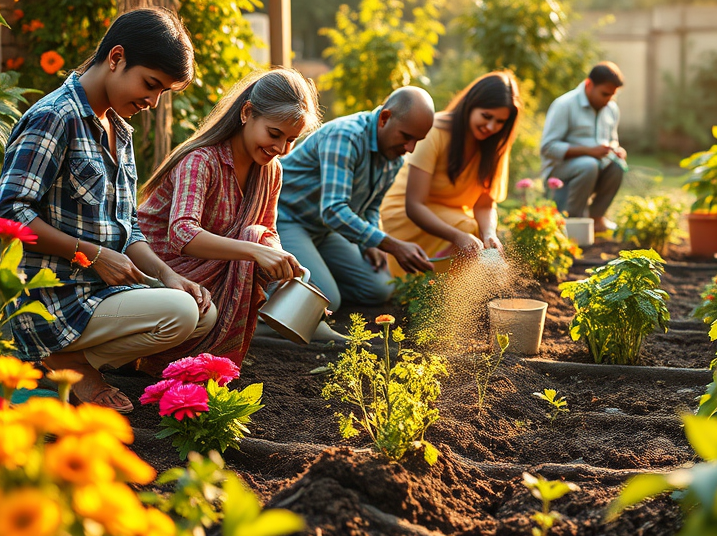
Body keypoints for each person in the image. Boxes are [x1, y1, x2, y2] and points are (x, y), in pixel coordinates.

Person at [0, 8, 216, 413]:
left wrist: (168, 275)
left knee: (200, 310)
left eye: (163, 92)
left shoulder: (118, 129)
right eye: (151, 84)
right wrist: (89, 254)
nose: (153, 101)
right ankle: (65, 360)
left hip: (98, 294)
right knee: (180, 312)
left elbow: (126, 227)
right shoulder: (53, 117)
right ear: (116, 58)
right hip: (50, 298)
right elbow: (5, 217)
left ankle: (70, 360)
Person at [138, 68, 319, 372]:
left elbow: (266, 229)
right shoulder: (201, 160)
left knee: (255, 236)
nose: (281, 149)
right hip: (157, 274)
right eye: (274, 134)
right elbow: (182, 233)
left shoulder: (271, 171)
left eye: (291, 140)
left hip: (209, 281)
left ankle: (209, 364)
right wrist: (253, 250)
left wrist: (278, 255)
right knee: (250, 242)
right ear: (247, 113)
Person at [277, 86, 436, 320]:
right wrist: (389, 244)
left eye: (417, 141)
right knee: (328, 297)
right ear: (384, 118)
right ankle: (272, 303)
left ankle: (314, 277)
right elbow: (333, 209)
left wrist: (370, 244)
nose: (410, 148)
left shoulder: (393, 158)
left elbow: (370, 207)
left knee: (379, 288)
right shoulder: (346, 136)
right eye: (406, 136)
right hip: (286, 219)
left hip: (324, 229)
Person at [380, 71, 522, 276]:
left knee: (474, 233)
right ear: (471, 106)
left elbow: (484, 203)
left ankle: (452, 295)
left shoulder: (495, 146)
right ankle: (426, 287)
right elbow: (414, 205)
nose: (491, 126)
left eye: (500, 122)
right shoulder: (435, 130)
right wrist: (458, 236)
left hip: (448, 216)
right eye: (486, 116)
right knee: (467, 229)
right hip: (406, 215)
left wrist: (489, 233)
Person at [540, 61, 626, 232]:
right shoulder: (565, 105)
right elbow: (548, 148)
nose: (608, 100)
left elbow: (612, 140)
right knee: (588, 164)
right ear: (589, 84)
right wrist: (589, 152)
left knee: (618, 166)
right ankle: (574, 222)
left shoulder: (611, 108)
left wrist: (616, 149)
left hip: (595, 168)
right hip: (560, 171)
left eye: (612, 96)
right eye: (604, 94)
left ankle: (595, 219)